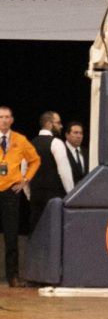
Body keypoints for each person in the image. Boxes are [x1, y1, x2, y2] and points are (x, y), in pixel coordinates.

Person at [0, 106, 40, 287]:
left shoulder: (20, 140)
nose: (4, 120)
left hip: (10, 191)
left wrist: (25, 180)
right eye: (1, 117)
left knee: (11, 235)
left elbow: (35, 160)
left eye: (7, 117)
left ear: (12, 120)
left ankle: (13, 276)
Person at [30, 111, 74, 230]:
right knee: (52, 232)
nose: (61, 126)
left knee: (36, 233)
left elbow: (24, 173)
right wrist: (72, 195)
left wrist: (30, 194)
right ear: (49, 124)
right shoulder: (57, 143)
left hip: (35, 196)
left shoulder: (30, 144)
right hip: (54, 198)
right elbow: (64, 173)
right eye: (58, 123)